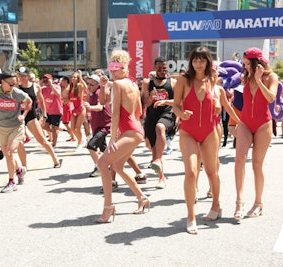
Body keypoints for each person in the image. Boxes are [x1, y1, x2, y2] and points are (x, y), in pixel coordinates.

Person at [95, 50, 150, 223]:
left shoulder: (118, 84)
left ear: (125, 67)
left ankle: (108, 207)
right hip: (134, 130)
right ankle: (142, 198)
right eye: (111, 68)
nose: (113, 71)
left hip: (131, 131)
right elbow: (139, 111)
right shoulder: (132, 84)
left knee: (102, 163)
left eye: (116, 68)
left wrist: (112, 137)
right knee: (117, 166)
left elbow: (117, 112)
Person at [173, 47, 222, 235]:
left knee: (212, 171)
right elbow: (175, 105)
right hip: (188, 132)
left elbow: (216, 102)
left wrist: (217, 104)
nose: (198, 64)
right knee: (191, 172)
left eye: (202, 60)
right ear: (191, 62)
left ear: (208, 62)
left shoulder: (212, 80)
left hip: (209, 131)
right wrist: (181, 113)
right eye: (195, 60)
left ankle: (216, 205)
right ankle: (191, 216)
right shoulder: (183, 81)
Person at [234, 47, 278, 221]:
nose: (244, 67)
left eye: (246, 63)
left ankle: (258, 203)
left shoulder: (271, 77)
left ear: (255, 62)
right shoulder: (245, 77)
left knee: (257, 165)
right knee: (239, 159)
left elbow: (271, 98)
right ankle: (239, 201)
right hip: (245, 122)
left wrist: (259, 81)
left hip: (263, 125)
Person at [17, 67, 62, 174]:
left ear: (28, 76)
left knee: (42, 140)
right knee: (19, 143)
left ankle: (55, 160)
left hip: (31, 116)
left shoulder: (35, 86)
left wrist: (44, 115)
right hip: (18, 116)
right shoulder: (16, 87)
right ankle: (24, 166)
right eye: (20, 75)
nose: (21, 78)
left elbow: (41, 102)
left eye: (23, 76)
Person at [142, 57, 177, 189]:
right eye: (159, 69)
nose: (162, 71)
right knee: (153, 149)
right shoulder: (147, 82)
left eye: (164, 68)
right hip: (151, 116)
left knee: (160, 127)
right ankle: (161, 177)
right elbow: (146, 103)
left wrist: (178, 117)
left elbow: (178, 102)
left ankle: (157, 159)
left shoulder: (172, 82)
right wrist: (150, 97)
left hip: (167, 114)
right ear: (154, 68)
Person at [83, 74, 112, 178]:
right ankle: (113, 165)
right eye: (88, 84)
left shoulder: (100, 93)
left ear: (97, 85)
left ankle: (99, 167)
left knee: (91, 145)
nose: (89, 86)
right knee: (104, 149)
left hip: (104, 125)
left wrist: (90, 107)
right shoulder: (91, 94)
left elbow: (100, 107)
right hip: (96, 125)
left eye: (91, 84)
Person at [41, 73, 63, 147]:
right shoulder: (43, 89)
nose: (46, 82)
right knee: (44, 126)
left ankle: (54, 144)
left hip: (56, 111)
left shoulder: (56, 86)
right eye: (44, 80)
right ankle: (56, 131)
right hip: (48, 111)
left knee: (54, 127)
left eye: (47, 80)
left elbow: (58, 94)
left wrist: (51, 85)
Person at [69, 71, 88, 149]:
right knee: (72, 128)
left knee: (78, 127)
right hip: (74, 108)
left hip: (80, 108)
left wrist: (80, 77)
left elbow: (85, 87)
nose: (73, 78)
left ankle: (80, 142)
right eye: (72, 77)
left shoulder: (79, 85)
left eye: (75, 77)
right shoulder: (70, 87)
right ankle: (81, 140)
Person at [59, 76, 75, 141]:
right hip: (64, 105)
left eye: (62, 80)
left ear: (65, 81)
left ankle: (73, 136)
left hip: (67, 105)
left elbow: (69, 97)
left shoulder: (69, 88)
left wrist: (64, 99)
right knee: (65, 122)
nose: (61, 82)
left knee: (66, 122)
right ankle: (72, 135)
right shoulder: (63, 88)